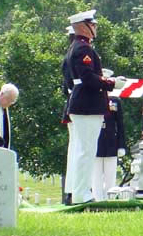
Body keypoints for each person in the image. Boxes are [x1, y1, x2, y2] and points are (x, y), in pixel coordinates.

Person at [65, 10, 125, 204]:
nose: (96, 27)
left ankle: (80, 191)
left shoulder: (78, 47)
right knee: (86, 150)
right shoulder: (83, 49)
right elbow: (88, 78)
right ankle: (81, 193)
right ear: (84, 26)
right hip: (87, 105)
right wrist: (112, 83)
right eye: (93, 24)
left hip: (84, 104)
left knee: (85, 150)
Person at [92, 92, 126, 201]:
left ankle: (109, 199)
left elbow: (120, 124)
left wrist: (121, 145)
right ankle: (97, 200)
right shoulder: (91, 97)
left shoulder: (114, 100)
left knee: (110, 176)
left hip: (111, 141)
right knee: (95, 176)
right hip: (95, 141)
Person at [62, 25, 76, 205]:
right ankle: (73, 190)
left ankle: (72, 190)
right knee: (77, 150)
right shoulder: (74, 56)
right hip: (79, 105)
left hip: (74, 105)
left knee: (76, 150)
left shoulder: (70, 55)